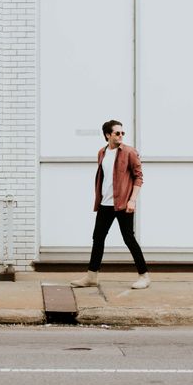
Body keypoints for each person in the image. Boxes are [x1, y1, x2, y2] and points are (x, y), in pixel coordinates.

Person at [71, 120, 150, 289]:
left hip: (123, 204)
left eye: (123, 133)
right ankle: (92, 276)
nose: (121, 136)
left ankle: (144, 276)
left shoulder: (129, 152)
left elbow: (139, 177)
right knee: (98, 238)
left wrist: (132, 200)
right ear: (108, 135)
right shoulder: (102, 152)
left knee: (129, 238)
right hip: (105, 204)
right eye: (117, 133)